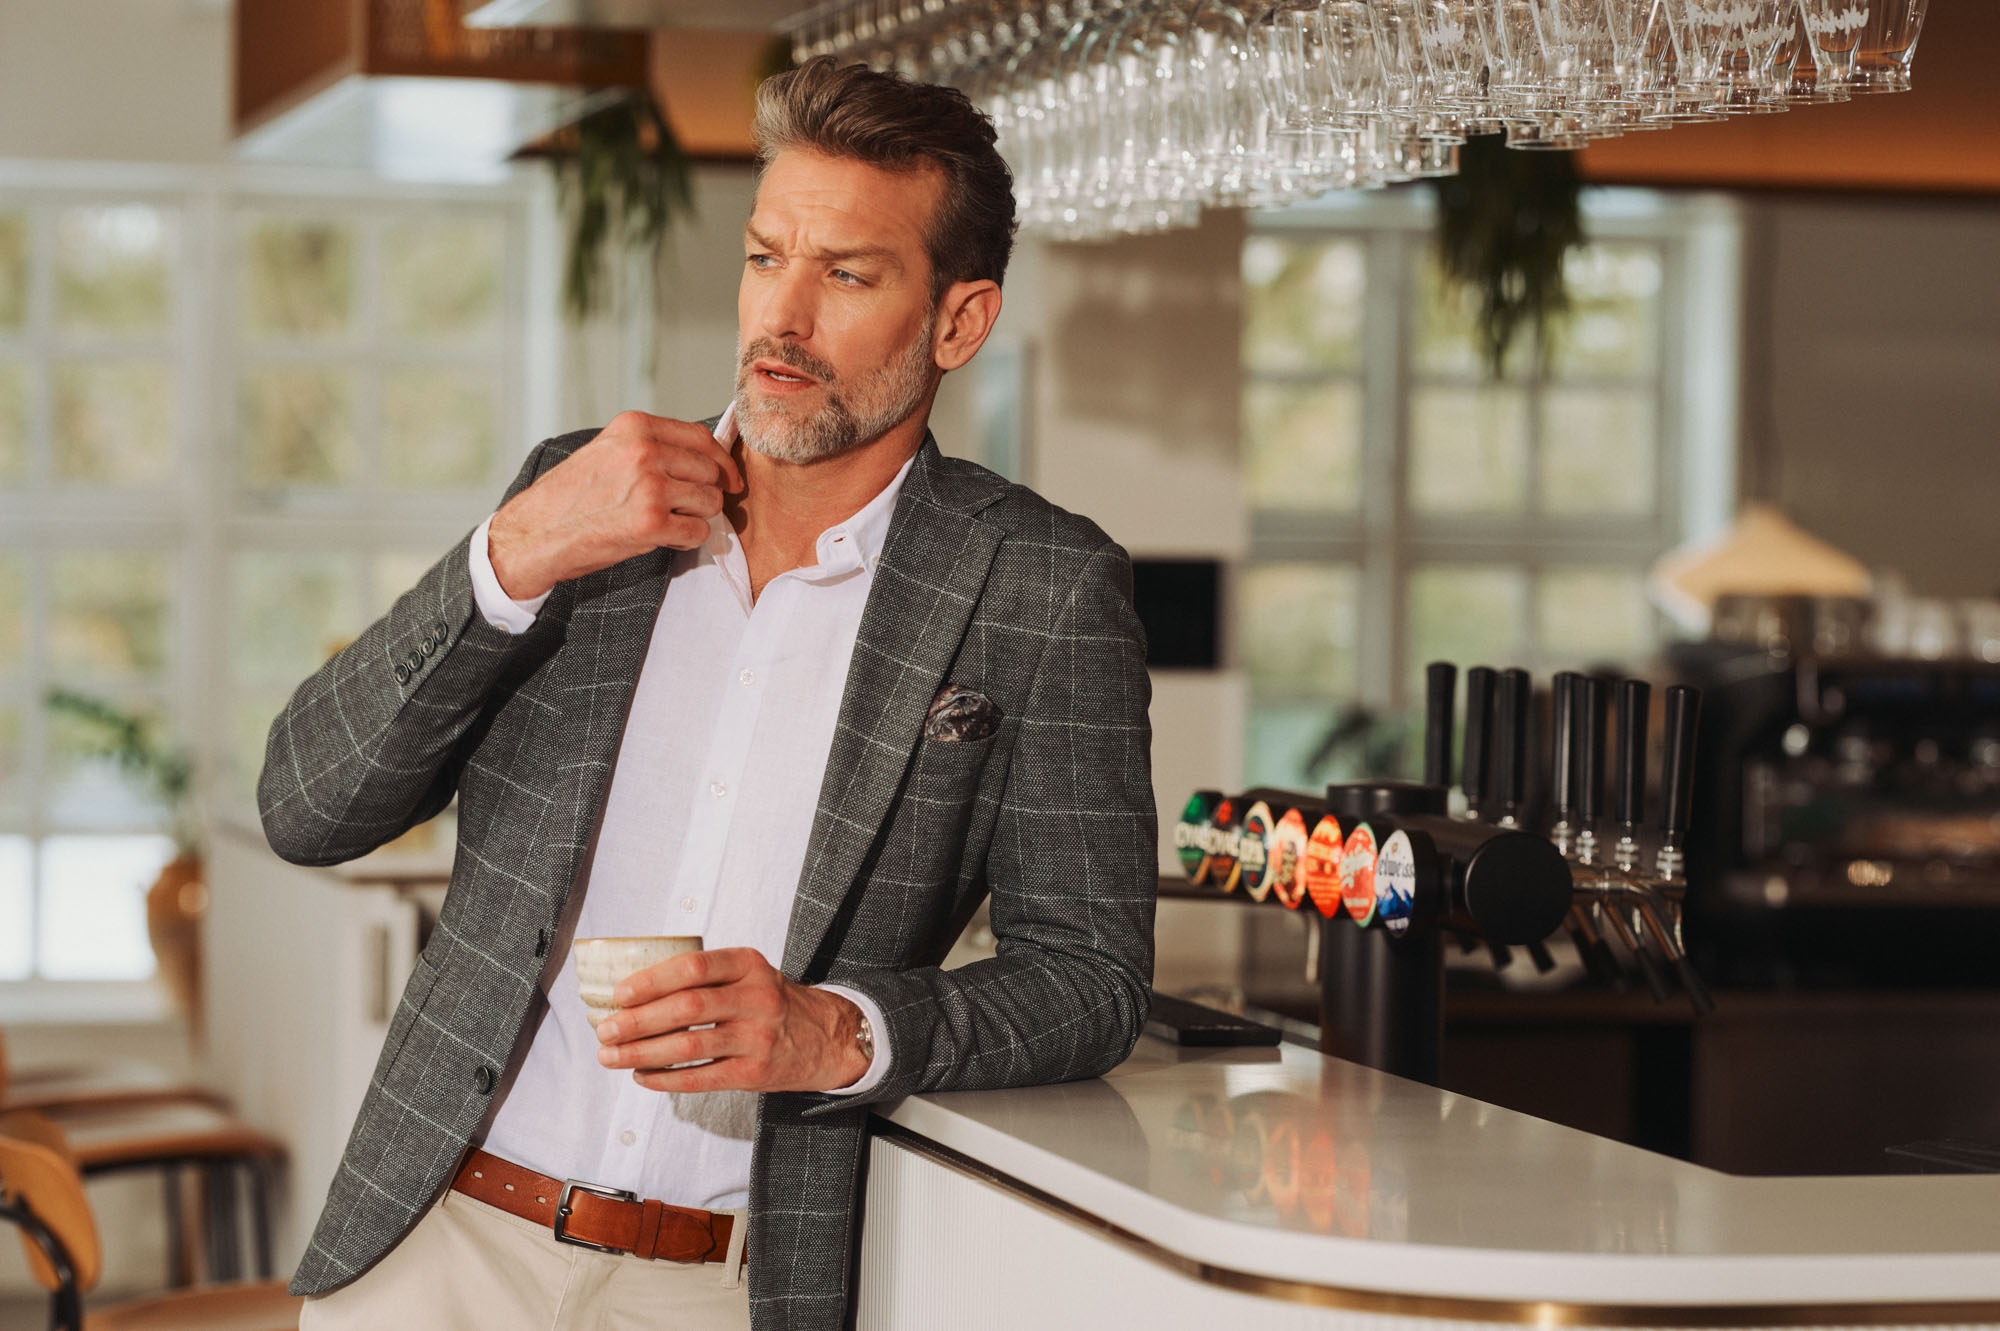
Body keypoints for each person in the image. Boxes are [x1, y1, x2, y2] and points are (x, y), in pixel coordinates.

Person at [259, 56, 1156, 1331]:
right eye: (762, 257)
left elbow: (1091, 976)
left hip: (726, 1284)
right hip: (438, 1243)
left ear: (958, 322)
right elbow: (307, 805)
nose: (779, 321)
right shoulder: (578, 498)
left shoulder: (1039, 586)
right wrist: (509, 554)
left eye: (845, 275)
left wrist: (831, 1032)